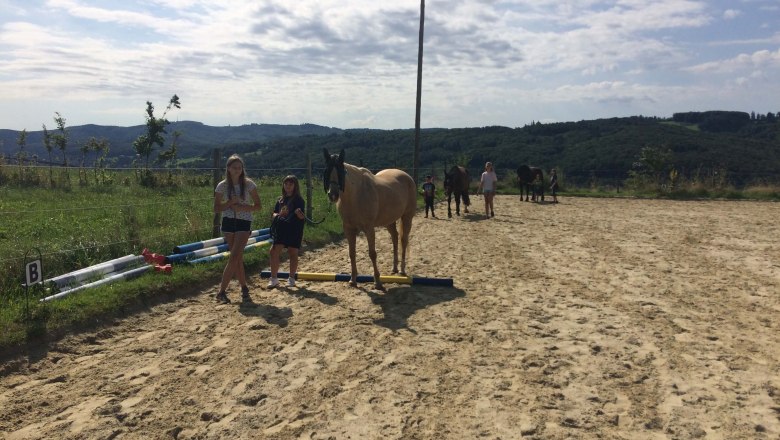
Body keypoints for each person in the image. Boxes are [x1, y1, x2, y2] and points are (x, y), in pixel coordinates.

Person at [213, 154, 262, 303]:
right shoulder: (222, 185)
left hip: (244, 222)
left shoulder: (249, 184)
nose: (237, 170)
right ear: (228, 168)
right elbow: (216, 208)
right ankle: (244, 287)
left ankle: (221, 292)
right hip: (228, 222)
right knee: (237, 257)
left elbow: (258, 206)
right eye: (234, 167)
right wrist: (230, 202)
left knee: (234, 256)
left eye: (239, 167)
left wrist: (242, 207)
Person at [268, 175, 306, 288]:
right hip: (281, 228)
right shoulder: (280, 200)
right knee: (273, 251)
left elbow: (301, 217)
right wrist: (276, 215)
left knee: (292, 252)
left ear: (295, 186)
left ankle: (291, 278)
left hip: (294, 229)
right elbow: (274, 213)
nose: (288, 186)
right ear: (283, 185)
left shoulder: (299, 200)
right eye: (286, 184)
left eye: (291, 184)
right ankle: (274, 278)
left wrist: (299, 214)